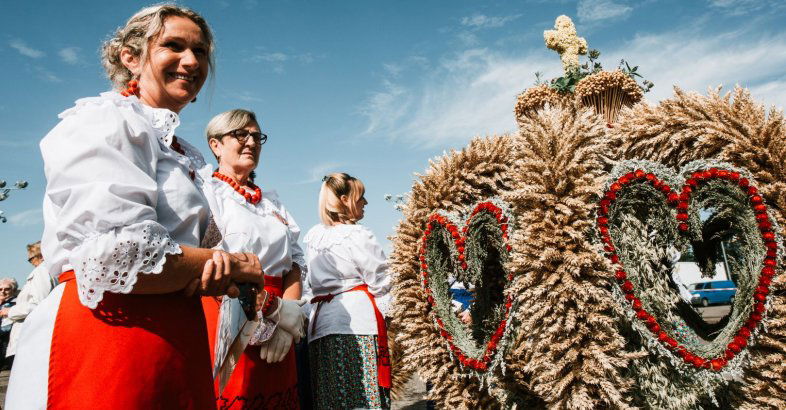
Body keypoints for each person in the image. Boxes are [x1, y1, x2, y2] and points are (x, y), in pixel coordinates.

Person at [5, 5, 264, 409]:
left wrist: (219, 270)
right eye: (173, 46)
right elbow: (116, 254)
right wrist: (233, 265)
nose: (192, 61)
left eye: (201, 51)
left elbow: (197, 258)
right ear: (131, 57)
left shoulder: (184, 154)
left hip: (178, 336)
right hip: (110, 333)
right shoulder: (106, 120)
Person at [200, 109, 306, 409]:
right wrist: (267, 318)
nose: (251, 142)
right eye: (240, 134)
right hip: (230, 316)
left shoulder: (272, 202)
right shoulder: (208, 193)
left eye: (257, 136)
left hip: (281, 312)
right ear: (216, 145)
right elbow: (211, 259)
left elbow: (295, 263)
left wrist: (287, 320)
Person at [305, 173, 392, 409]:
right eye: (360, 197)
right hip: (357, 323)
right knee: (363, 394)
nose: (365, 203)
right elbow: (381, 281)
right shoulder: (358, 234)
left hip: (321, 324)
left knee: (331, 397)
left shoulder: (314, 237)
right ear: (345, 199)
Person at [3, 242, 57, 366]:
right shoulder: (49, 272)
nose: (31, 262)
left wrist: (10, 311)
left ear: (42, 256)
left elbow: (39, 305)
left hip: (30, 338)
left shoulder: (41, 272)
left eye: (31, 258)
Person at [0, 278, 18, 369]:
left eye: (7, 289)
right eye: (0, 289)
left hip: (7, 342)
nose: (3, 292)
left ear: (14, 291)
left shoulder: (16, 304)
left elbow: (6, 328)